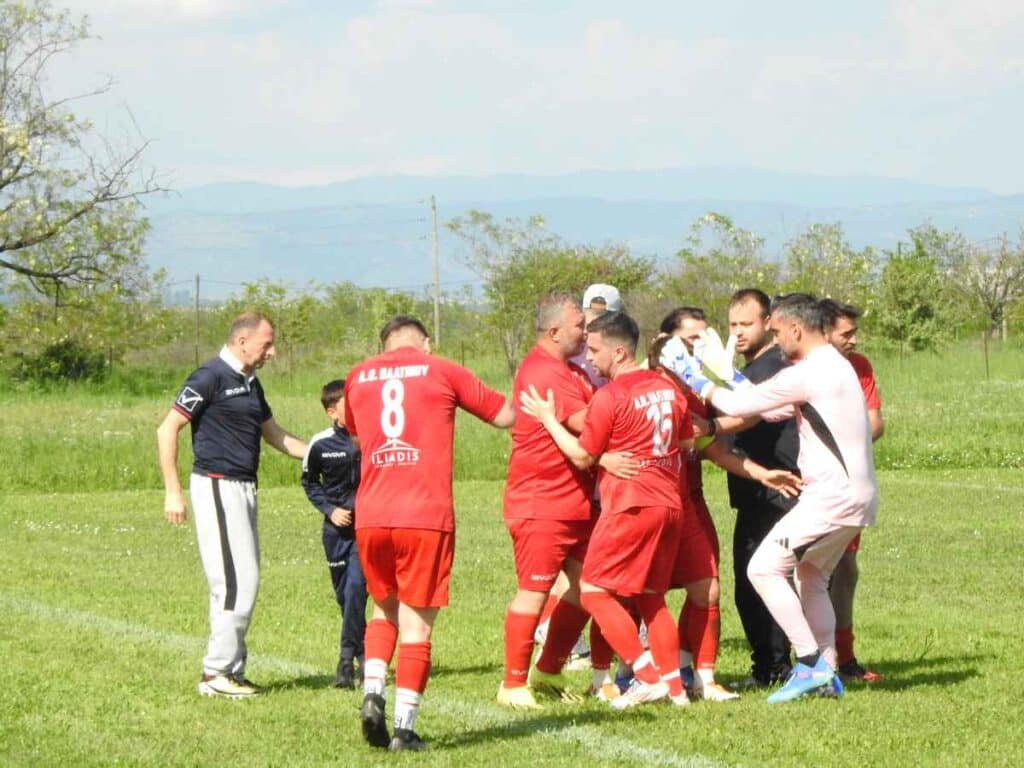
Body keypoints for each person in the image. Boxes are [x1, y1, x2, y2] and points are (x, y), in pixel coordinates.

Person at [662, 293, 880, 703]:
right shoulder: (834, 365)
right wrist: (728, 375)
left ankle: (810, 662)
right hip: (858, 497)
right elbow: (775, 408)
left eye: (778, 332)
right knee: (811, 576)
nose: (777, 341)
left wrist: (690, 371)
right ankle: (828, 671)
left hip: (831, 497)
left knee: (762, 569)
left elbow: (743, 405)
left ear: (796, 329)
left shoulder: (812, 370)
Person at [344, 316, 515, 751]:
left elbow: (353, 429)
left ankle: (372, 692)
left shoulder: (359, 374)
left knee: (383, 613)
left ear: (383, 345)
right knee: (417, 626)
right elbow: (504, 415)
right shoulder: (441, 368)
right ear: (425, 341)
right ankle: (404, 728)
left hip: (372, 511)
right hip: (424, 513)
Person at [521, 310, 693, 710]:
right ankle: (676, 692)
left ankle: (646, 675)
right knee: (651, 597)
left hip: (630, 505)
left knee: (595, 591)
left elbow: (583, 456)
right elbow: (684, 441)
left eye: (595, 350)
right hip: (669, 504)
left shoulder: (611, 395)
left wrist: (548, 419)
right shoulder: (669, 389)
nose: (590, 358)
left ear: (619, 351)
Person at [157, 311, 307, 699]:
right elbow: (167, 427)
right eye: (267, 343)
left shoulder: (250, 384)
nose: (272, 352)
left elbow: (274, 435)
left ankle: (232, 671)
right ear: (242, 342)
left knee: (237, 581)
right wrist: (173, 491)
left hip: (244, 488)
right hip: (217, 486)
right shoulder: (208, 377)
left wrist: (320, 453)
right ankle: (215, 674)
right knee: (237, 583)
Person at [499, 292, 635, 709]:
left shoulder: (569, 371)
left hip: (573, 500)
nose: (587, 330)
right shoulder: (545, 371)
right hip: (542, 500)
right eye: (580, 323)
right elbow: (588, 423)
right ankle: (512, 683)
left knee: (585, 587)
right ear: (556, 331)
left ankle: (550, 667)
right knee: (534, 591)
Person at [722, 289, 799, 689]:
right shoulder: (748, 369)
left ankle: (776, 668)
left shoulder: (770, 367)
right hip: (754, 493)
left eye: (746, 324)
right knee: (752, 584)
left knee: (760, 582)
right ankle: (772, 667)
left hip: (776, 492)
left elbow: (742, 415)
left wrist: (704, 429)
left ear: (768, 323)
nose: (737, 333)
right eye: (732, 325)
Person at [821, 299, 885, 683]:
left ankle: (844, 658)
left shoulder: (859, 368)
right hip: (808, 485)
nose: (854, 340)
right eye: (846, 333)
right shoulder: (800, 368)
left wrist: (846, 440)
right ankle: (799, 657)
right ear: (822, 332)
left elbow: (875, 423)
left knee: (845, 569)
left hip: (847, 486)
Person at [301, 378, 368, 690]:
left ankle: (345, 661)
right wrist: (330, 510)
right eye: (348, 403)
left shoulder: (370, 437)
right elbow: (309, 483)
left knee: (356, 587)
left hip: (365, 530)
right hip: (335, 533)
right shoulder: (320, 444)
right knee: (344, 596)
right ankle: (364, 652)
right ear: (331, 412)